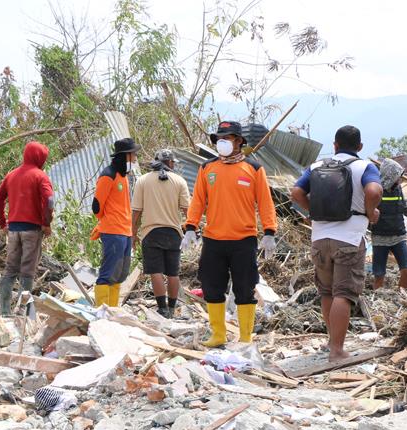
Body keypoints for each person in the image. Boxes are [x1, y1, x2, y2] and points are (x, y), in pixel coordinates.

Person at [291, 125, 382, 361]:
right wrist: (370, 212)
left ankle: (332, 341)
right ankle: (338, 351)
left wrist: (314, 212)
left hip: (319, 238)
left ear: (335, 145)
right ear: (360, 147)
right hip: (349, 239)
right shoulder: (365, 166)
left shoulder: (316, 166)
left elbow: (296, 193)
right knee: (344, 293)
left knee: (327, 291)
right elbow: (373, 191)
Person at [183, 121, 277, 347]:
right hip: (214, 240)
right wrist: (190, 228)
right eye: (219, 138)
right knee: (212, 287)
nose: (222, 142)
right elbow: (197, 201)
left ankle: (245, 337)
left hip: (243, 241)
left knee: (245, 288)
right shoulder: (207, 168)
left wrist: (269, 231)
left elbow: (265, 202)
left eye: (227, 138)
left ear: (238, 141)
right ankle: (218, 335)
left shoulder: (254, 169)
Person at [0, 141, 54, 316]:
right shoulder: (40, 176)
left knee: (11, 269)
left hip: (13, 230)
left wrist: (2, 223)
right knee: (27, 271)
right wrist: (47, 223)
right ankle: (23, 312)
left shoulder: (11, 175)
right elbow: (49, 200)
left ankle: (5, 311)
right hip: (32, 230)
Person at [132, 149, 190, 318]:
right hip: (174, 233)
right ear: (170, 163)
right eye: (173, 162)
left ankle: (162, 309)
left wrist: (133, 233)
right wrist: (193, 230)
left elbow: (136, 211)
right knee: (173, 273)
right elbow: (187, 210)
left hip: (151, 232)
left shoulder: (142, 181)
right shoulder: (180, 181)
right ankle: (171, 309)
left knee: (155, 271)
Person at [92, 138, 139, 307]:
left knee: (119, 274)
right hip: (113, 232)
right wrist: (107, 221)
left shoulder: (123, 176)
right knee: (107, 273)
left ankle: (112, 311)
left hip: (125, 232)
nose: (135, 159)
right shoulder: (108, 175)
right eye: (133, 155)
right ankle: (101, 312)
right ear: (124, 156)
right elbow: (97, 206)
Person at [371, 158, 407, 289]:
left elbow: (405, 208)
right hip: (380, 239)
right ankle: (377, 301)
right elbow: (367, 211)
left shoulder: (398, 190)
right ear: (390, 175)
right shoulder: (376, 190)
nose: (400, 180)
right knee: (379, 275)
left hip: (399, 237)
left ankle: (400, 296)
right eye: (398, 176)